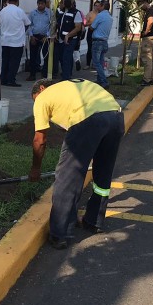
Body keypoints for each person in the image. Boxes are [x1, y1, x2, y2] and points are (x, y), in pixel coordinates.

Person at [28, 78, 125, 249]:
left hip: (89, 118)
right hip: (116, 117)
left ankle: (60, 233)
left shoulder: (43, 97)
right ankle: (93, 221)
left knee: (68, 177)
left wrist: (35, 169)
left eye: (35, 98)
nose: (37, 103)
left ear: (41, 89)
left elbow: (39, 140)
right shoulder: (72, 85)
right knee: (103, 173)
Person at [0, 0, 30, 87]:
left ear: (9, 0)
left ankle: (3, 79)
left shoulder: (2, 11)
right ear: (17, 1)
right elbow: (27, 23)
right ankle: (11, 80)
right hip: (16, 41)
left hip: (5, 40)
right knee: (14, 62)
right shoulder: (19, 11)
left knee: (5, 60)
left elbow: (0, 23)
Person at [55, 0, 83, 81]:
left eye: (68, 0)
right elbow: (57, 23)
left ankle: (66, 78)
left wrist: (68, 35)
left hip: (70, 39)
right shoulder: (60, 11)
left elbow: (78, 27)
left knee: (66, 58)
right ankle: (67, 73)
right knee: (62, 58)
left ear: (72, 1)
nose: (66, 2)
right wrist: (55, 33)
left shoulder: (76, 12)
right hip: (60, 39)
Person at [27, 0, 51, 81]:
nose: (40, 5)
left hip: (45, 37)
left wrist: (47, 35)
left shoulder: (49, 13)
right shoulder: (32, 13)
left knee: (46, 56)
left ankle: (44, 75)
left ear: (45, 4)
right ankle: (32, 75)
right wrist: (31, 36)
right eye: (39, 3)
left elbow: (52, 25)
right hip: (34, 37)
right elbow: (29, 25)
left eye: (42, 3)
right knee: (33, 57)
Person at [90, 1, 112, 88]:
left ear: (103, 6)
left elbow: (92, 27)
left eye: (99, 6)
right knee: (101, 62)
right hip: (104, 41)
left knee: (96, 63)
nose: (97, 8)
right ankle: (100, 80)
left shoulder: (100, 15)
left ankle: (104, 81)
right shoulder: (110, 17)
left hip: (97, 41)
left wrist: (88, 24)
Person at [138, 0, 153, 86]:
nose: (140, 8)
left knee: (147, 59)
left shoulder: (150, 11)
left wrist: (146, 31)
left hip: (148, 38)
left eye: (140, 5)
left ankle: (146, 79)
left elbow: (150, 21)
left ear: (144, 3)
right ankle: (150, 78)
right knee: (152, 59)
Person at [84, 1, 103, 68]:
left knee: (97, 49)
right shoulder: (90, 14)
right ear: (94, 6)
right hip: (91, 31)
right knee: (90, 48)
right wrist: (92, 23)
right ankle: (87, 64)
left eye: (98, 6)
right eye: (96, 5)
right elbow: (84, 24)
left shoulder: (101, 14)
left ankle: (94, 63)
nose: (97, 7)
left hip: (98, 32)